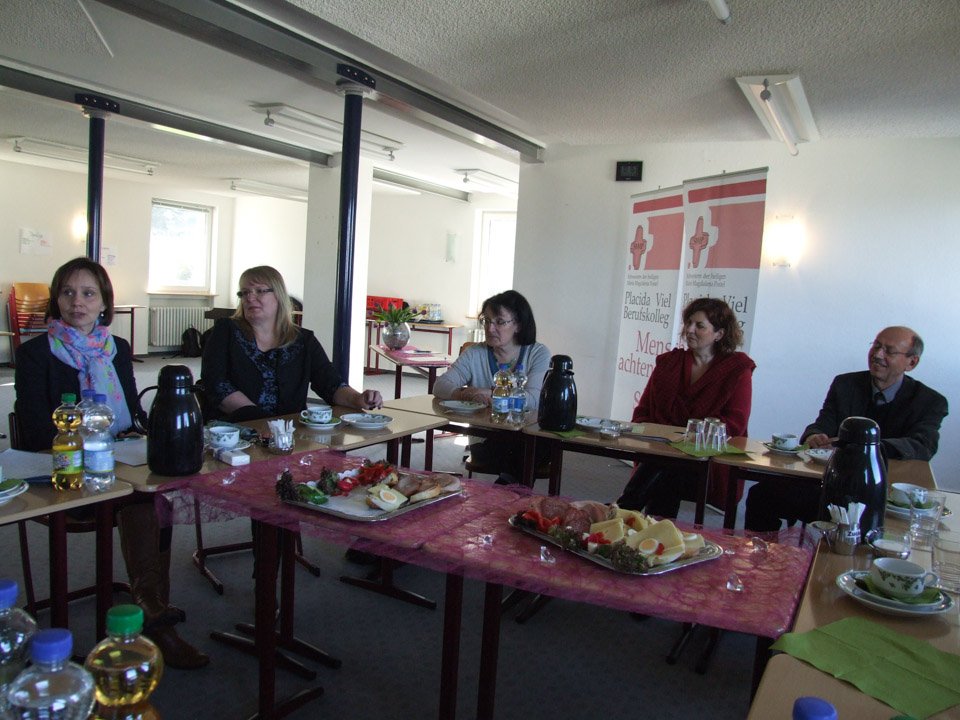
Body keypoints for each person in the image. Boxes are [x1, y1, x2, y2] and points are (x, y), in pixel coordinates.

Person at [14, 257, 209, 669]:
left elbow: (133, 415)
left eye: (88, 293)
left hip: (119, 457)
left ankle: (153, 608)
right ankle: (155, 616)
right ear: (56, 299)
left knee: (158, 487)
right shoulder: (35, 353)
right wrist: (88, 440)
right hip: (66, 471)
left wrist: (143, 436)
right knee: (139, 501)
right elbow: (33, 432)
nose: (77, 302)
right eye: (68, 292)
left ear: (104, 302)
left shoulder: (116, 348)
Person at [745, 326, 948, 532]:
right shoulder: (846, 384)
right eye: (876, 346)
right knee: (762, 495)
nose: (878, 355)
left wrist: (866, 448)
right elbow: (823, 422)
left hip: (884, 495)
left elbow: (923, 445)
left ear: (911, 362)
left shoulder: (930, 401)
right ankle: (763, 552)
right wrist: (815, 435)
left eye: (889, 351)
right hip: (832, 486)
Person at [617, 297, 756, 518]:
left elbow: (735, 424)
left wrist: (686, 438)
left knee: (665, 469)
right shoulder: (669, 363)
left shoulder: (737, 369)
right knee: (666, 468)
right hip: (662, 454)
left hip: (708, 463)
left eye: (699, 326)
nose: (690, 330)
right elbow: (642, 412)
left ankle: (623, 511)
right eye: (689, 323)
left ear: (719, 334)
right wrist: (656, 435)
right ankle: (645, 523)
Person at [200, 265, 382, 421]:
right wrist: (263, 421)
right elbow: (216, 385)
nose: (249, 297)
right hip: (236, 430)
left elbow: (331, 383)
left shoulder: (303, 340)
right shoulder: (226, 331)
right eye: (244, 292)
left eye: (259, 291)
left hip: (288, 432)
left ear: (279, 296)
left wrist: (358, 398)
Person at [433, 290, 551, 483]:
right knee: (526, 453)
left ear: (519, 325)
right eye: (486, 321)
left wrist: (491, 394)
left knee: (541, 445)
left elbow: (533, 400)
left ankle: (505, 489)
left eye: (499, 322)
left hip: (524, 434)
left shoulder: (537, 353)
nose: (490, 328)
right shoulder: (475, 353)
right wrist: (466, 394)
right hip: (485, 437)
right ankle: (507, 491)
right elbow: (440, 386)